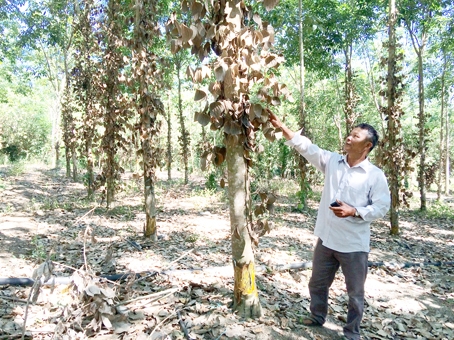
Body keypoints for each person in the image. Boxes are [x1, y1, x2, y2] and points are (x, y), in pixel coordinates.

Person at [269, 113, 390, 340]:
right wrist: (283, 127)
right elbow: (308, 148)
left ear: (367, 146)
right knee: (317, 283)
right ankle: (317, 316)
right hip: (326, 238)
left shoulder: (375, 176)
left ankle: (352, 332)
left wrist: (354, 211)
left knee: (355, 294)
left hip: (353, 245)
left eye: (355, 136)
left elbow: (382, 207)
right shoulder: (334, 161)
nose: (348, 138)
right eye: (349, 133)